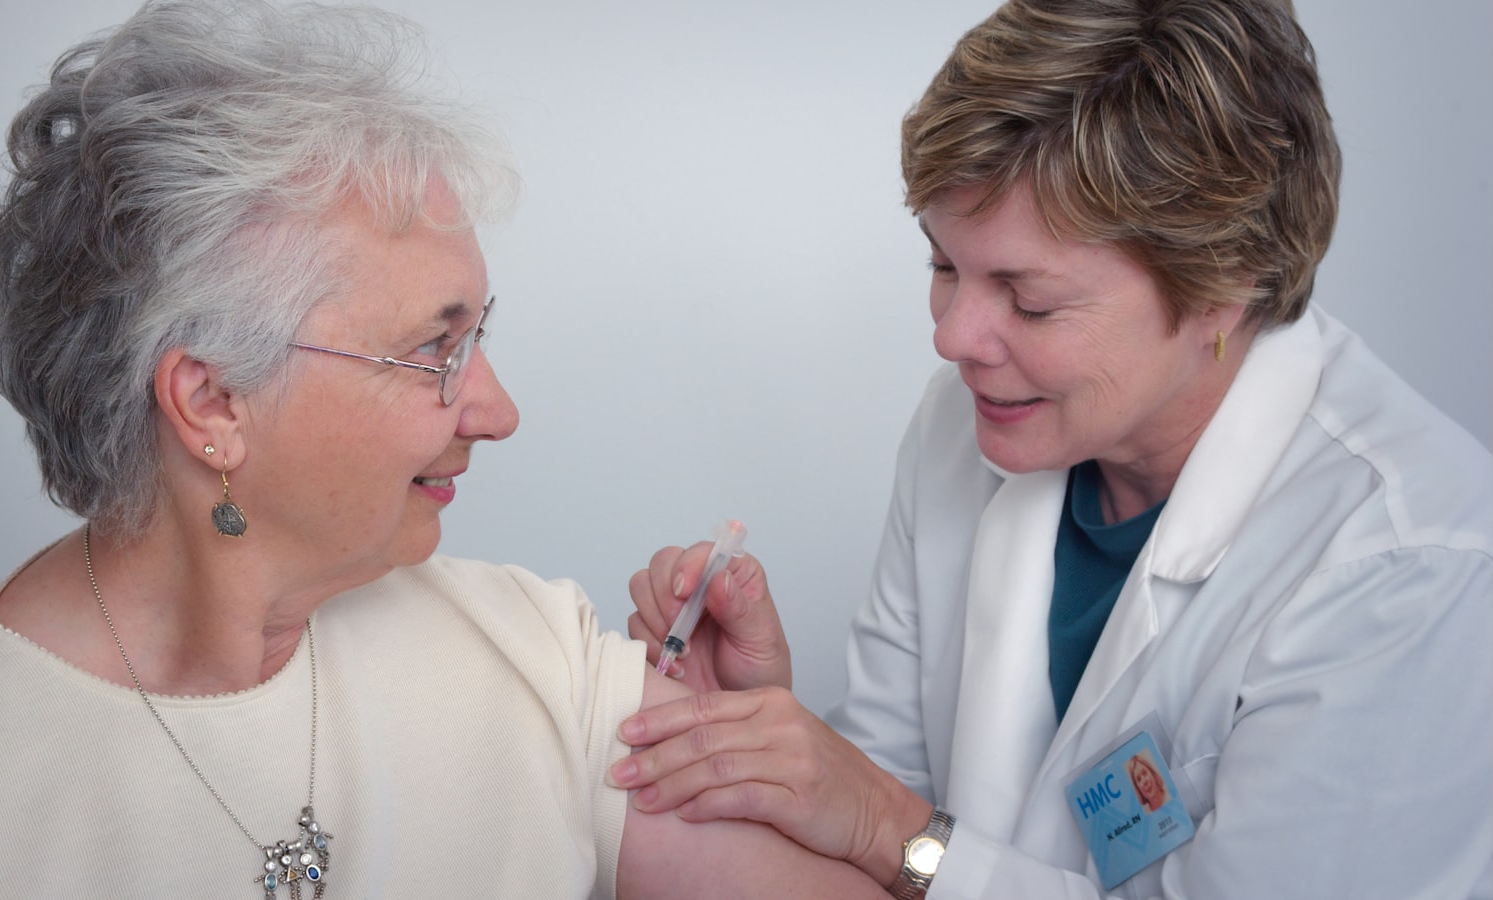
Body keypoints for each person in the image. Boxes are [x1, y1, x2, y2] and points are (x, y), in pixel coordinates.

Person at [0, 2, 889, 897]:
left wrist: (756, 771)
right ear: (211, 402)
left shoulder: (534, 663)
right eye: (433, 350)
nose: (496, 412)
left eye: (476, 336)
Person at [613, 0, 1493, 897]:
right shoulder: (965, 429)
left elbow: (893, 829)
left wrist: (882, 819)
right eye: (943, 266)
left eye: (1028, 301)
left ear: (1224, 283)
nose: (954, 337)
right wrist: (766, 736)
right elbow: (879, 823)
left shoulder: (1406, 565)